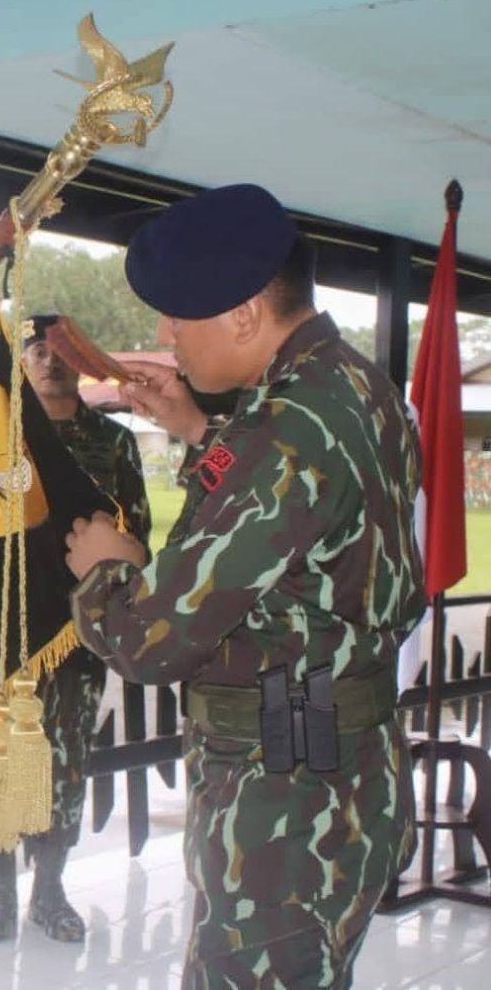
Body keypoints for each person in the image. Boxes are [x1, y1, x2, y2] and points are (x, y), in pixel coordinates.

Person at [64, 184, 422, 988]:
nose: (164, 337)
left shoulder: (280, 431)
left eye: (177, 317)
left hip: (284, 806)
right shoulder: (356, 389)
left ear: (245, 314)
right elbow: (310, 525)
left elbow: (144, 640)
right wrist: (195, 430)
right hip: (350, 768)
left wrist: (108, 567)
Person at [0, 314, 152, 944]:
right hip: (6, 631)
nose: (50, 361)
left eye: (62, 352)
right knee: (2, 755)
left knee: (67, 756)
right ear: (22, 361)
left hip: (81, 627)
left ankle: (48, 891)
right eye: (38, 350)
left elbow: (137, 539)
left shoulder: (114, 444)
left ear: (81, 361)